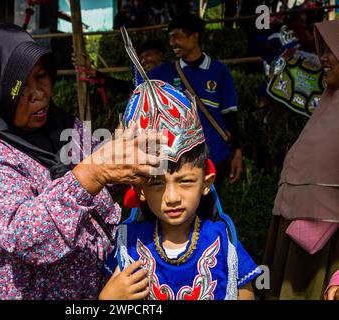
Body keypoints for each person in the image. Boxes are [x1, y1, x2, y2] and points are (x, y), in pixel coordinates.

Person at [0, 23, 164, 300]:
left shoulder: (67, 130)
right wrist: (92, 173)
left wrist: (130, 154)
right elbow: (22, 238)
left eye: (41, 76)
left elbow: (110, 178)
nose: (39, 93)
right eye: (20, 88)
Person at [100, 79, 260, 300]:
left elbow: (245, 291)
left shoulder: (220, 240)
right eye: (157, 184)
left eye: (185, 182)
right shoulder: (129, 244)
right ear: (140, 190)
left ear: (206, 183)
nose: (172, 197)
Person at [264, 19, 339, 300]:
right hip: (296, 232)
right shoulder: (328, 102)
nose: (323, 58)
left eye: (331, 50)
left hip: (326, 250)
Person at [148, 13, 243, 192]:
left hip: (215, 155)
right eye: (169, 38)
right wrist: (96, 76)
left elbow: (230, 114)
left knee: (210, 205)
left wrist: (237, 150)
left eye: (176, 36)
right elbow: (134, 86)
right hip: (179, 158)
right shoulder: (165, 73)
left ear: (194, 36)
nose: (172, 43)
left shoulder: (219, 71)